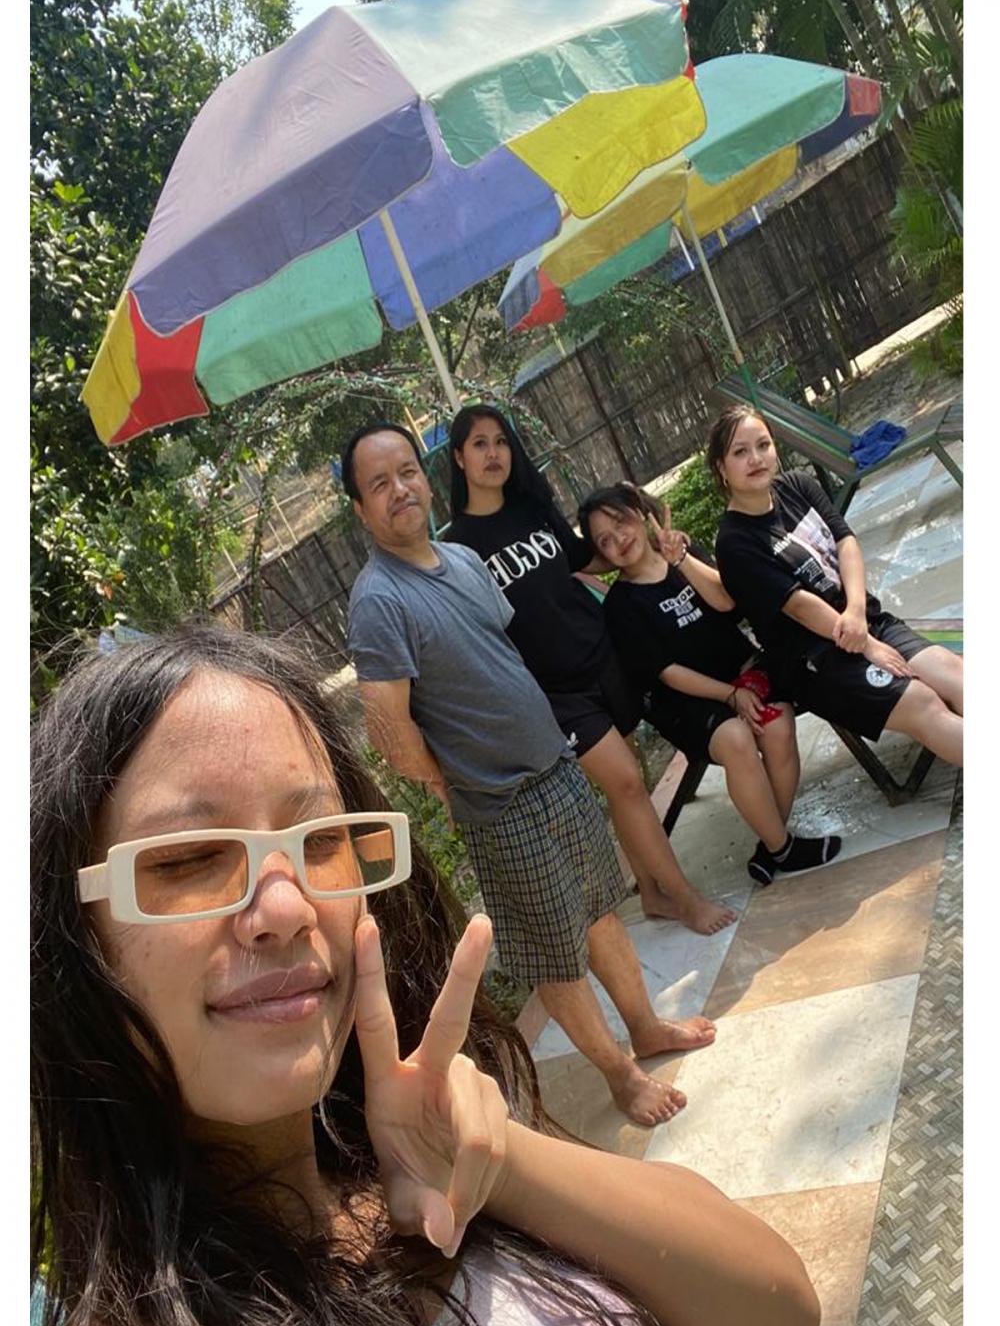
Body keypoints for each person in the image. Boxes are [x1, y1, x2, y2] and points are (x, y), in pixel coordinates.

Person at [30, 626, 822, 1326]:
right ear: (72, 938)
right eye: (185, 860)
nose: (286, 906)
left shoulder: (408, 1157)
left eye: (322, 839)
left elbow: (781, 1309)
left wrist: (502, 1163)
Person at [345, 421, 717, 1129]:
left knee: (601, 909)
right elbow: (389, 732)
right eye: (379, 484)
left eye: (406, 472)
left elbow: (500, 658)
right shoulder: (379, 600)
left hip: (556, 768)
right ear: (361, 509)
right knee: (555, 953)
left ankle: (645, 1028)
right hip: (501, 804)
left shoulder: (462, 560)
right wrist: (449, 782)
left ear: (426, 478)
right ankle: (620, 1075)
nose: (399, 490)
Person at [445, 403, 734, 936]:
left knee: (630, 785)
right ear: (459, 457)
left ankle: (651, 892)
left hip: (602, 654)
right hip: (554, 690)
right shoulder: (457, 547)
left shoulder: (533, 508)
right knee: (626, 784)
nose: (493, 454)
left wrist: (645, 538)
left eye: (501, 441)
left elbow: (586, 557)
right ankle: (686, 899)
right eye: (480, 444)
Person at [577, 482, 842, 886]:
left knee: (777, 727)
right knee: (736, 739)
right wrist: (732, 696)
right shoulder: (621, 605)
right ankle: (783, 848)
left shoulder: (685, 554)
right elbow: (668, 673)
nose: (620, 540)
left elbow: (728, 603)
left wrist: (682, 560)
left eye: (621, 523)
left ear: (640, 513)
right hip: (687, 701)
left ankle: (772, 845)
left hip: (744, 670)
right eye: (605, 541)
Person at [708, 405, 963, 770]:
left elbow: (846, 542)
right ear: (721, 467)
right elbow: (797, 606)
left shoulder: (797, 485)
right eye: (740, 452)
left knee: (954, 674)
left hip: (864, 621)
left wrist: (857, 611)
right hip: (816, 658)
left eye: (763, 445)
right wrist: (868, 645)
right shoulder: (734, 542)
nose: (756, 458)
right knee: (923, 703)